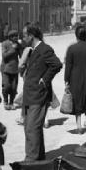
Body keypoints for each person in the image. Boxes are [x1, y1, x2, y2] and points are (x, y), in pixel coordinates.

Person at [21, 24, 62, 161]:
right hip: (29, 95)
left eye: (24, 35)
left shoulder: (44, 49)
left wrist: (45, 79)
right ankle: (38, 156)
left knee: (32, 128)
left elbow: (57, 64)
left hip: (38, 95)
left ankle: (31, 160)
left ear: (31, 36)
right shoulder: (31, 50)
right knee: (31, 128)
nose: (23, 38)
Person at [1, 29, 21, 109]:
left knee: (13, 87)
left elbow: (22, 55)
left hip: (15, 69)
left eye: (17, 36)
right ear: (10, 37)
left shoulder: (18, 44)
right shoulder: (5, 44)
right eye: (14, 36)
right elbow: (4, 56)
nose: (16, 38)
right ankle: (5, 101)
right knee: (6, 86)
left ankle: (11, 102)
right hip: (5, 69)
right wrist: (13, 49)